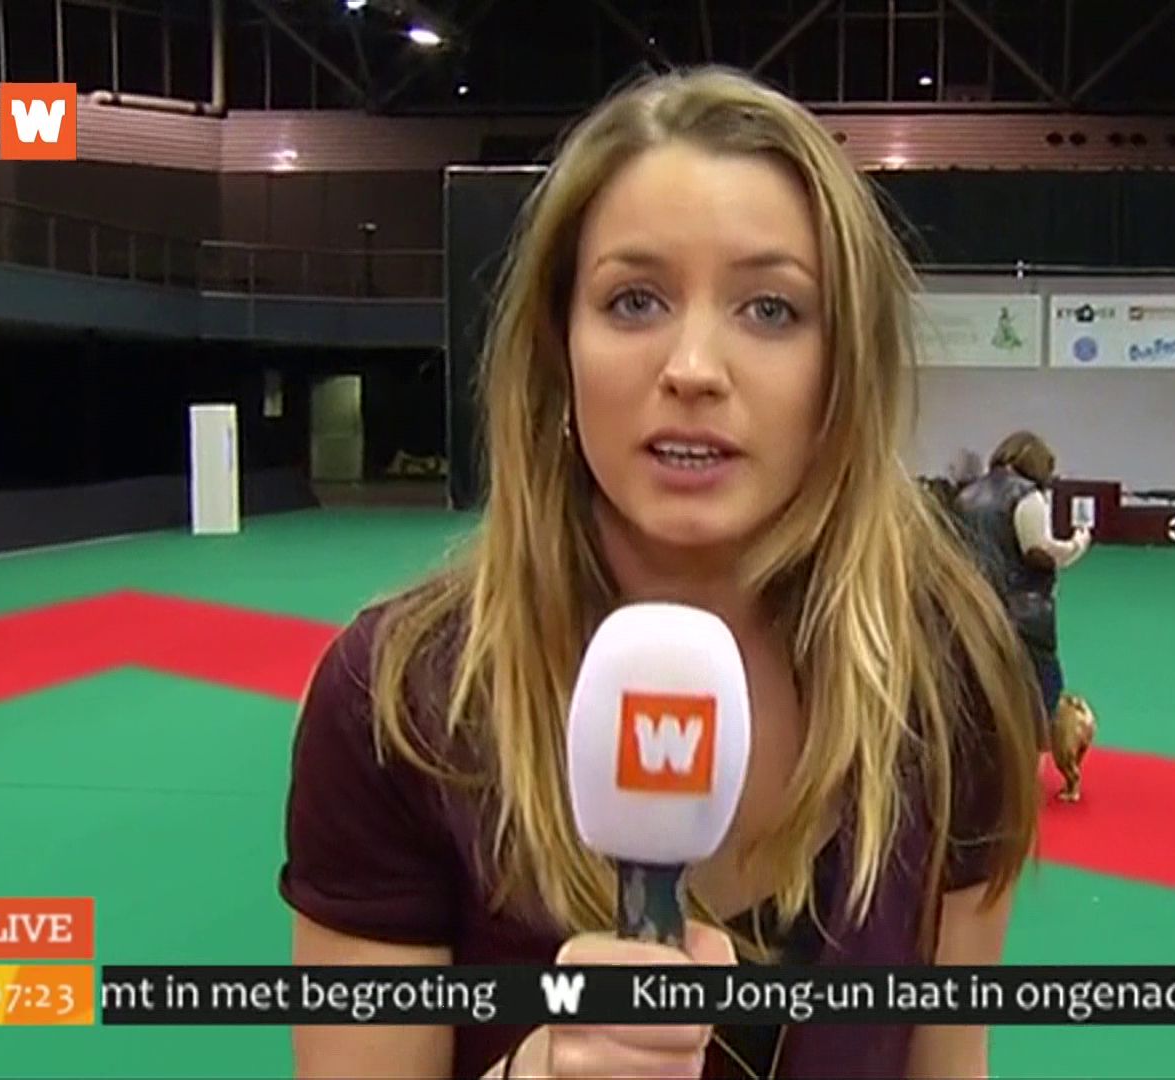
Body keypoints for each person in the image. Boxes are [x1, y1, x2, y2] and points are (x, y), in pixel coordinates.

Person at [280, 66, 1042, 1079]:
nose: (692, 368)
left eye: (770, 309)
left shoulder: (953, 681)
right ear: (558, 349)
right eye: (634, 300)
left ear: (843, 373)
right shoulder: (395, 702)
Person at [953, 432, 1092, 743]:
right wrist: (1077, 544)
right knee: (1043, 694)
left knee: (979, 694)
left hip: (973, 608)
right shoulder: (1026, 496)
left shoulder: (967, 496)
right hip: (1022, 612)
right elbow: (1038, 552)